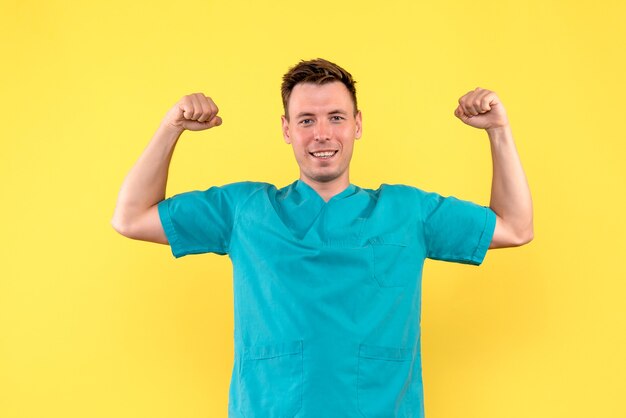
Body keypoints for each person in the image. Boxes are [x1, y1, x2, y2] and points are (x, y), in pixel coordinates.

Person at [111, 58, 533, 418]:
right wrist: (171, 128)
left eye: (336, 117)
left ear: (358, 124)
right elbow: (131, 217)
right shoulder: (244, 211)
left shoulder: (407, 212)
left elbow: (515, 226)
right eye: (306, 120)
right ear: (286, 129)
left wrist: (498, 129)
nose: (322, 134)